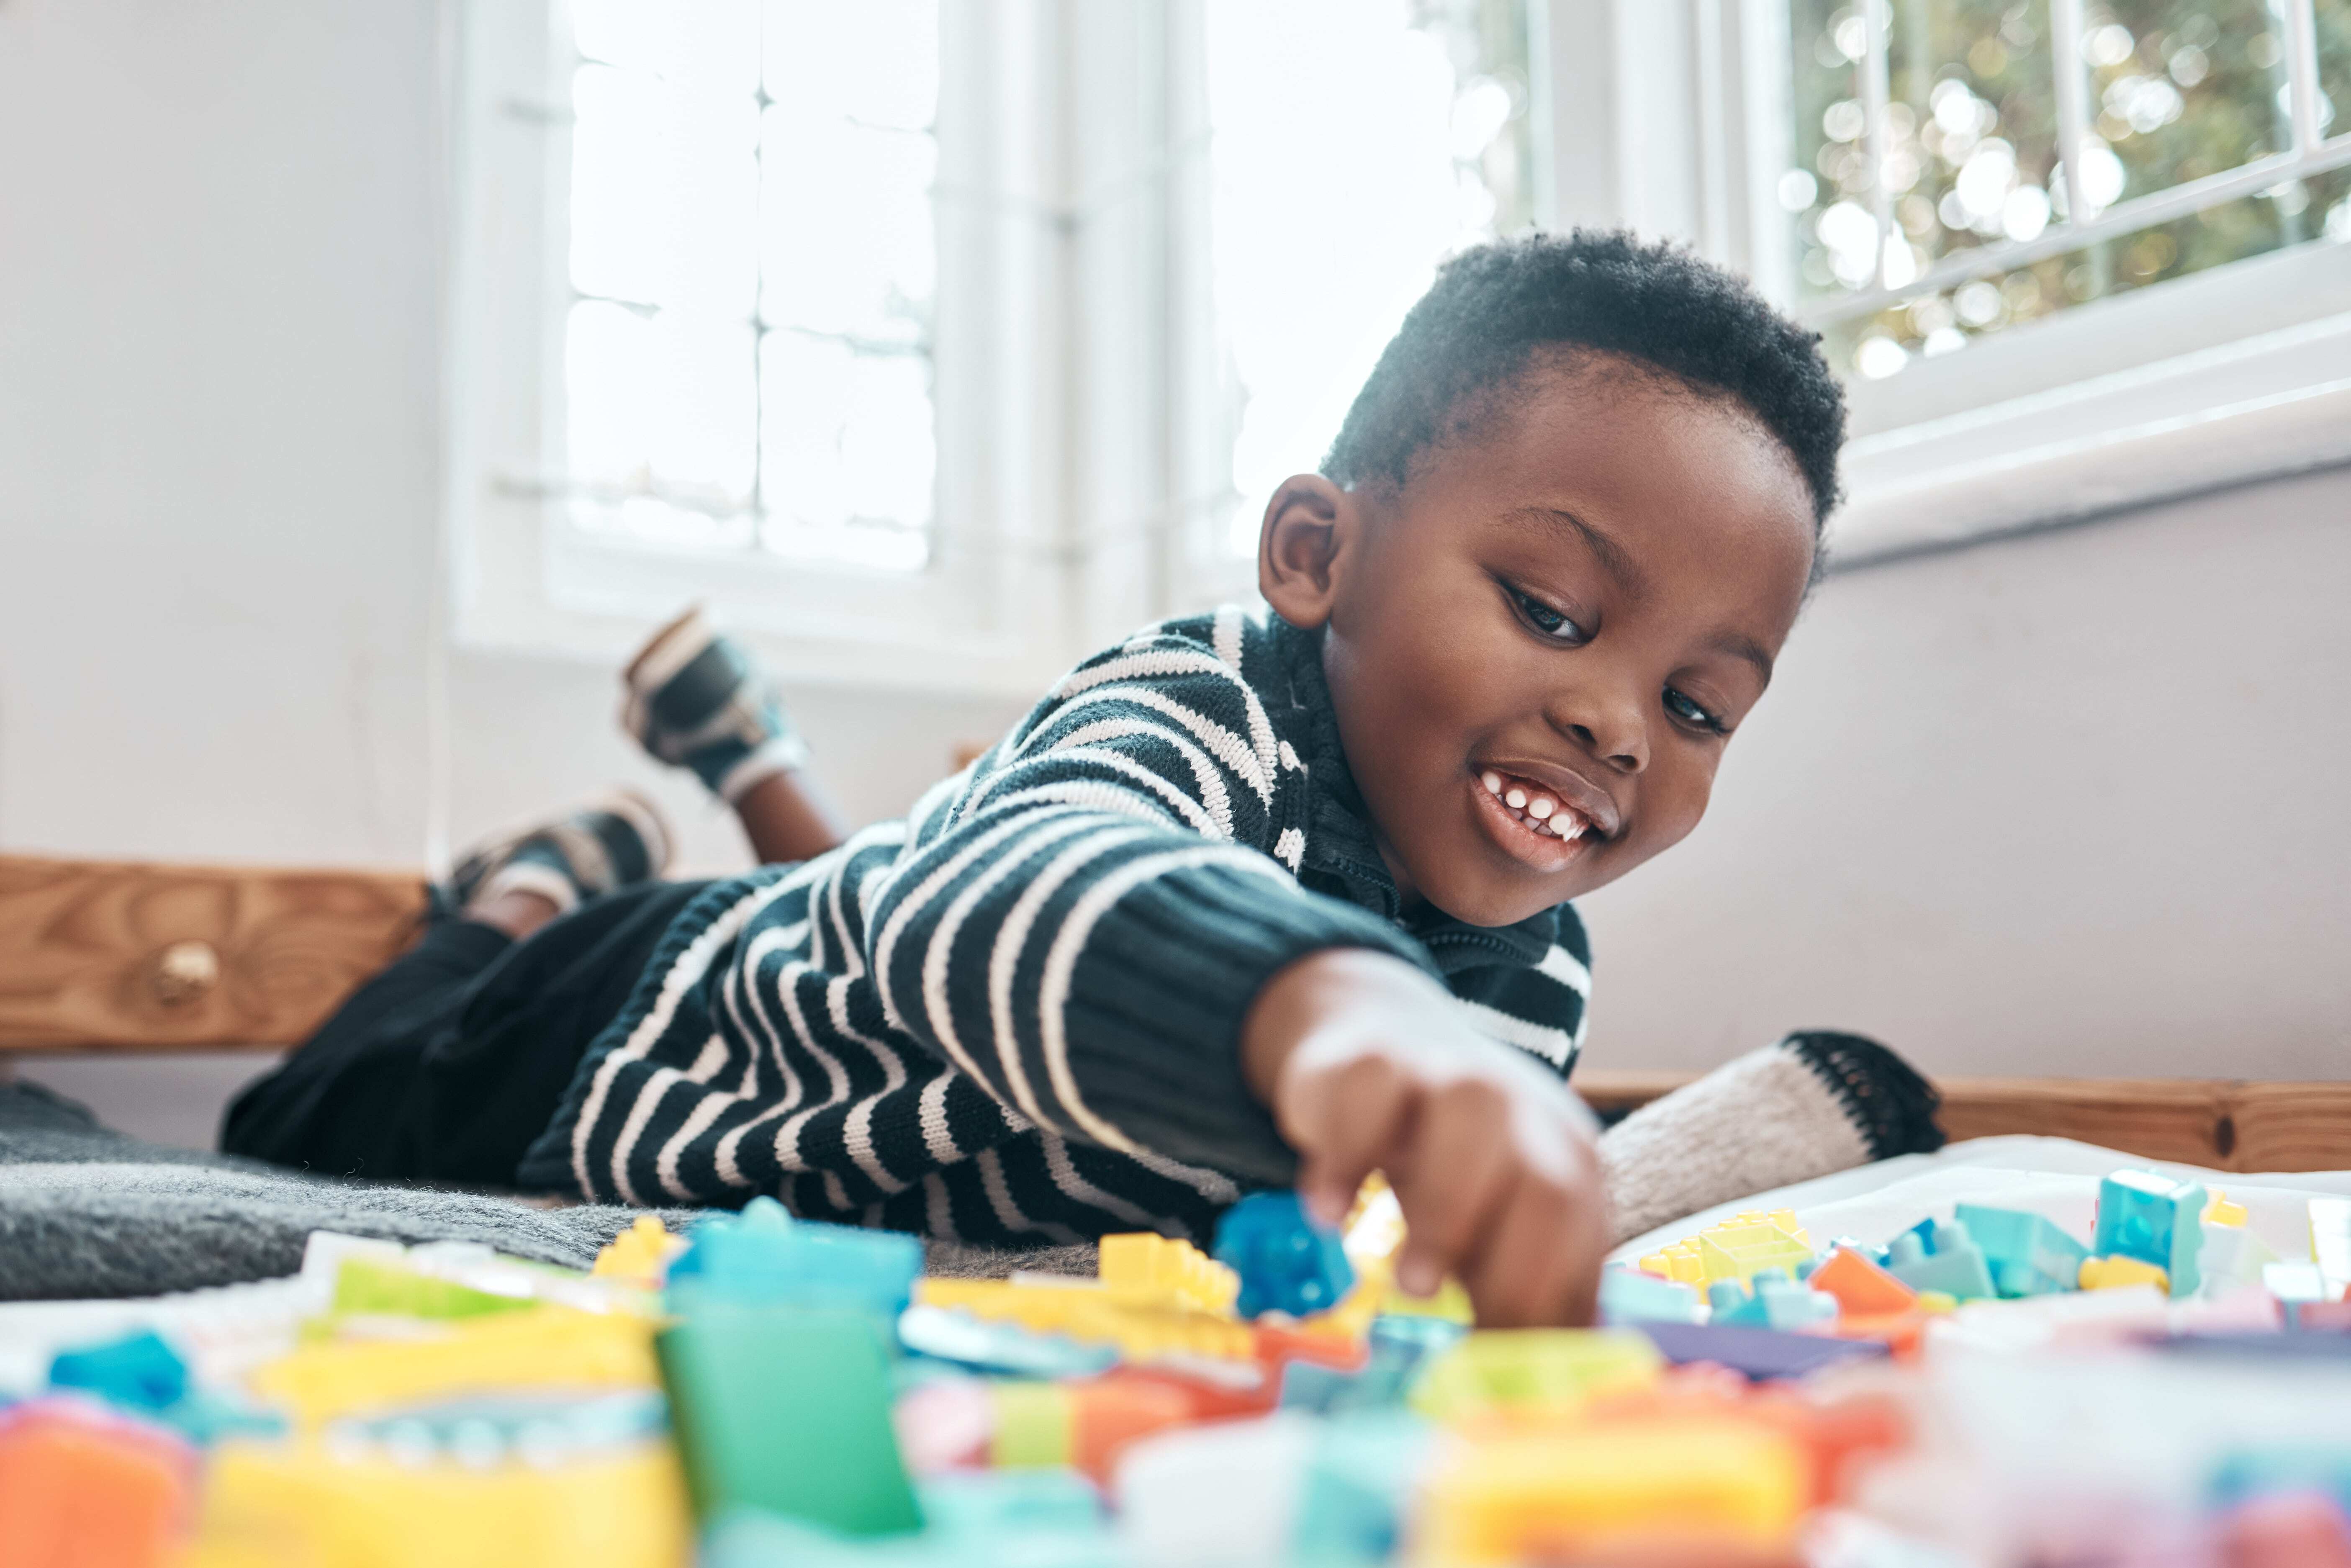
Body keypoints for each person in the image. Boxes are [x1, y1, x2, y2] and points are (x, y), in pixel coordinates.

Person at [224, 230, 1849, 1328]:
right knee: (290, 1120)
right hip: (613, 1043)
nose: (1618, 724)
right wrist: (1331, 1009)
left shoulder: (1537, 974)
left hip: (903, 1131)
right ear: (1314, 556)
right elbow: (1020, 883)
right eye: (1550, 613)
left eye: (1700, 706)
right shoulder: (1209, 711)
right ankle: (525, 888)